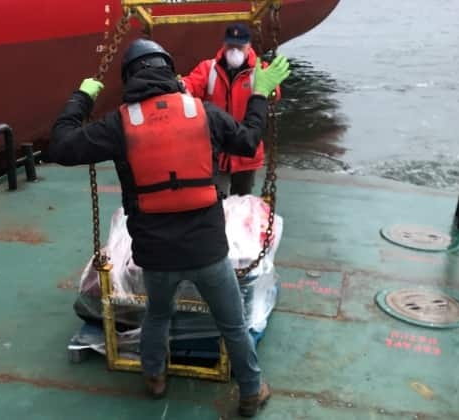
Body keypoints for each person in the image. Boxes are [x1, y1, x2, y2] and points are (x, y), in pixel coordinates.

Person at [49, 38, 290, 417]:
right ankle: (250, 391)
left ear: (129, 77)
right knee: (232, 324)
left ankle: (155, 377)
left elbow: (61, 147)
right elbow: (247, 142)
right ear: (168, 70)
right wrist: (258, 94)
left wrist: (82, 98)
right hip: (207, 252)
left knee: (157, 316)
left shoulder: (118, 124)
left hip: (156, 256)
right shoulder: (204, 113)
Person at [180, 23, 281, 197]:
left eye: (239, 46)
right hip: (217, 153)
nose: (234, 51)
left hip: (246, 156)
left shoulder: (260, 71)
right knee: (216, 198)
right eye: (230, 45)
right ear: (223, 45)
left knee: (243, 199)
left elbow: (274, 96)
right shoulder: (208, 69)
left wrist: (268, 88)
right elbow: (192, 84)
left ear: (248, 46)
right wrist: (181, 87)